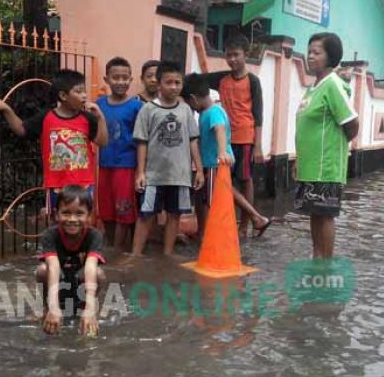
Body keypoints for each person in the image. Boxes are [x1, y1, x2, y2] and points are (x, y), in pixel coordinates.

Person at [0, 69, 108, 216]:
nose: (84, 95)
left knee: (82, 221)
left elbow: (102, 142)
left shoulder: (88, 118)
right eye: (78, 91)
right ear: (63, 95)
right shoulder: (46, 117)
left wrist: (100, 118)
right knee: (56, 221)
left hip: (83, 183)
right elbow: (21, 129)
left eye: (84, 91)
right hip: (56, 184)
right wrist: (6, 109)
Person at [182, 73, 271, 240]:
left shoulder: (212, 112)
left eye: (188, 103)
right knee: (209, 194)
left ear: (193, 99)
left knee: (215, 196)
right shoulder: (209, 111)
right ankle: (203, 232)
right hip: (211, 162)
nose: (190, 108)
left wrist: (222, 151)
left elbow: (220, 129)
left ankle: (254, 217)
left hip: (216, 162)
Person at [294, 32, 359, 258]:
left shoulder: (333, 85)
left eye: (317, 53)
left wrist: (335, 147)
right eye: (309, 51)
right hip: (311, 165)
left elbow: (352, 123)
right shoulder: (314, 88)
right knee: (315, 213)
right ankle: (317, 256)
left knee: (326, 214)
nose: (310, 56)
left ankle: (326, 261)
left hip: (326, 165)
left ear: (330, 57)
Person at [132, 61, 204, 256]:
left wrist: (199, 169)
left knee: (175, 215)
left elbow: (192, 142)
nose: (173, 86)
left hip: (180, 175)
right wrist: (140, 172)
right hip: (153, 175)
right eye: (168, 82)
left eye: (177, 82)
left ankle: (167, 255)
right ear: (159, 84)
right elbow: (142, 142)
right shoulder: (148, 109)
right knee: (146, 215)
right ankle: (135, 256)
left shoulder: (186, 110)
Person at [205, 34, 264, 236]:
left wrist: (258, 145)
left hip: (246, 137)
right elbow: (197, 81)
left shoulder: (253, 81)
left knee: (245, 179)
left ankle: (245, 225)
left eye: (236, 55)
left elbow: (258, 114)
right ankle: (234, 220)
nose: (232, 60)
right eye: (228, 55)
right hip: (225, 139)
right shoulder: (221, 79)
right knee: (224, 180)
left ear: (245, 55)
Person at [35, 185, 106, 336]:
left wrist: (89, 309)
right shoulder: (50, 235)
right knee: (42, 270)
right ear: (56, 214)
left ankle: (88, 308)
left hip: (82, 282)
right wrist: (53, 306)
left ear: (89, 216)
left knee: (99, 274)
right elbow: (53, 266)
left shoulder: (95, 236)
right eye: (66, 213)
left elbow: (91, 267)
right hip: (57, 283)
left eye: (79, 213)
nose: (72, 219)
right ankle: (47, 308)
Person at [96, 57, 143, 252]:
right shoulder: (98, 105)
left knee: (123, 208)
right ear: (106, 79)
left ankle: (117, 249)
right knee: (105, 207)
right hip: (104, 164)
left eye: (125, 78)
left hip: (126, 165)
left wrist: (141, 170)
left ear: (131, 79)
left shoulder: (137, 107)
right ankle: (109, 243)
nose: (121, 82)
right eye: (116, 78)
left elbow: (142, 141)